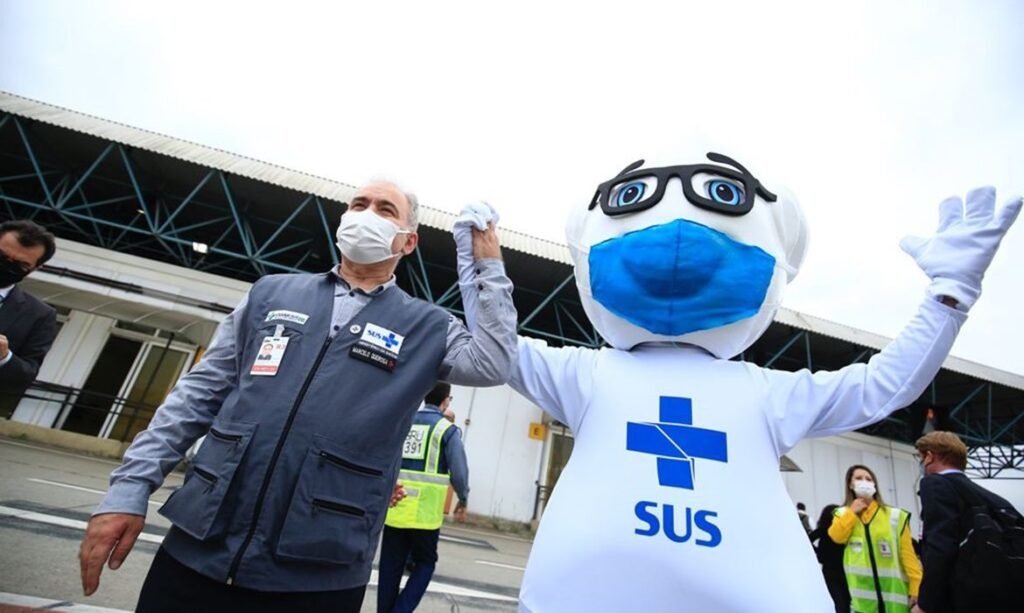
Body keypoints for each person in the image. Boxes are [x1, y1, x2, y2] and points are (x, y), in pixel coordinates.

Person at [78, 181, 518, 613]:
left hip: (318, 571)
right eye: (359, 204)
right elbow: (197, 395)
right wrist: (129, 489)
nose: (367, 215)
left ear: (408, 241)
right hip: (199, 549)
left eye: (385, 210)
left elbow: (493, 362)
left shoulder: (428, 326)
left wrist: (484, 261)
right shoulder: (271, 293)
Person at [377, 382, 470, 612]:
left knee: (389, 568)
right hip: (425, 515)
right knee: (425, 564)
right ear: (445, 400)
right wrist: (463, 498)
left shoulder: (404, 422)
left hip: (396, 507)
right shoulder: (447, 430)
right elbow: (459, 473)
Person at [912, 431, 1022, 613]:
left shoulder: (935, 484)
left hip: (958, 598)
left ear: (929, 457)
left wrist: (926, 603)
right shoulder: (996, 500)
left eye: (920, 457)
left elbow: (940, 547)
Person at [829, 465, 922, 613]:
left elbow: (908, 556)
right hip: (863, 601)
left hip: (895, 597)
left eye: (869, 479)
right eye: (859, 478)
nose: (864, 482)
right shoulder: (843, 514)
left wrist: (916, 587)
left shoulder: (895, 515)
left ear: (875, 485)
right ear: (850, 484)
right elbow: (837, 536)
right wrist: (852, 512)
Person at [0, 220, 58, 404]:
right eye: (2, 256)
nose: (7, 264)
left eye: (21, 264)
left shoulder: (40, 315)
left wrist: (4, 357)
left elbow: (26, 376)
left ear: (36, 268)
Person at [810, 504, 851, 613]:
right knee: (846, 600)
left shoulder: (823, 530)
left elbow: (808, 539)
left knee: (837, 601)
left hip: (829, 570)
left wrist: (818, 552)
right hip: (844, 569)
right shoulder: (844, 531)